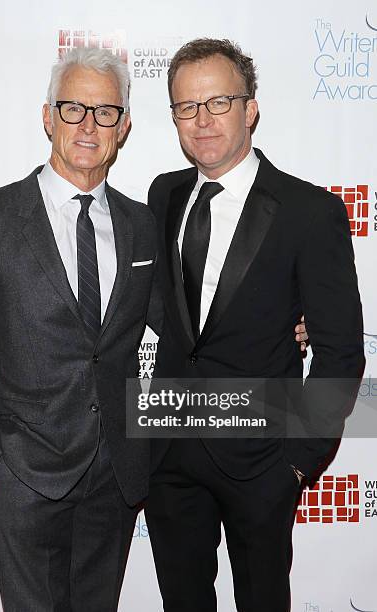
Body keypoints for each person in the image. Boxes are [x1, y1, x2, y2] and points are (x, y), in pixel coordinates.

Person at [144, 38, 364, 612]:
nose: (203, 120)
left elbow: (341, 353)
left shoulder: (310, 212)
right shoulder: (164, 194)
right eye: (187, 107)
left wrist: (297, 461)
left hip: (261, 463)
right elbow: (164, 311)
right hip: (169, 455)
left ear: (251, 108)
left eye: (219, 101)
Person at [0, 47, 158, 611]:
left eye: (105, 112)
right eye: (74, 108)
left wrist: (290, 322)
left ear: (124, 127)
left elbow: (179, 324)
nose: (89, 125)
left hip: (115, 475)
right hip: (26, 471)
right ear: (47, 116)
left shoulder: (140, 224)